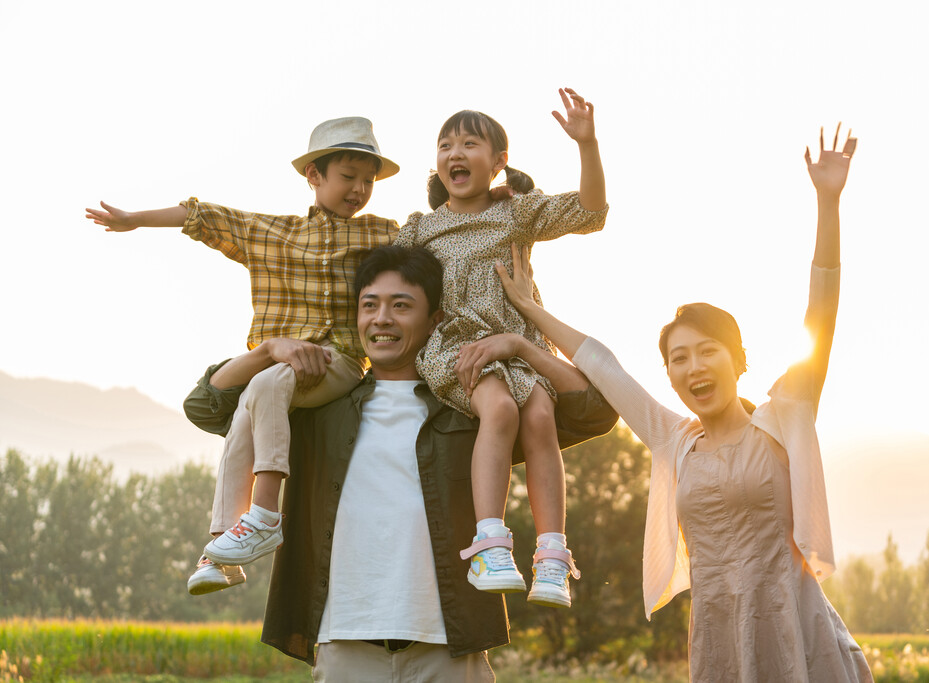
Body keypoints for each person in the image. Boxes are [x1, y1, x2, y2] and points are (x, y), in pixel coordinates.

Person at [476, 127, 873, 680]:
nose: (693, 368)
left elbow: (821, 312)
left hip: (795, 631)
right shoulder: (673, 439)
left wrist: (827, 203)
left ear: (738, 360)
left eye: (707, 352)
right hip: (716, 636)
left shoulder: (786, 415)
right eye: (678, 359)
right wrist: (526, 321)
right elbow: (601, 364)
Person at [184, 245, 618, 680]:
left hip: (450, 649)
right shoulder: (317, 413)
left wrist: (523, 344)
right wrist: (266, 351)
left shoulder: (472, 411)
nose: (382, 319)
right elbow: (207, 406)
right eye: (369, 305)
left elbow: (595, 410)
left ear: (435, 321)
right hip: (345, 645)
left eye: (401, 306)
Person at [85, 118, 401, 594]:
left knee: (266, 384)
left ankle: (266, 514)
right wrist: (135, 220)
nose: (359, 189)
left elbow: (439, 230)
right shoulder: (272, 233)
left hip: (335, 362)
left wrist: (496, 197)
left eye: (368, 180)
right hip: (277, 368)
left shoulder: (382, 233)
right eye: (348, 175)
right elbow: (204, 216)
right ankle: (219, 551)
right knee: (244, 417)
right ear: (314, 176)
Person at [394, 88, 608, 607]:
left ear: (498, 162)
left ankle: (552, 556)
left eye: (470, 143)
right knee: (501, 407)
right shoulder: (420, 229)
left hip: (517, 347)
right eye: (446, 145)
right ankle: (490, 543)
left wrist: (587, 144)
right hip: (459, 347)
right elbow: (390, 286)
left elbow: (591, 210)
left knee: (539, 416)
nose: (455, 154)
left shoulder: (518, 213)